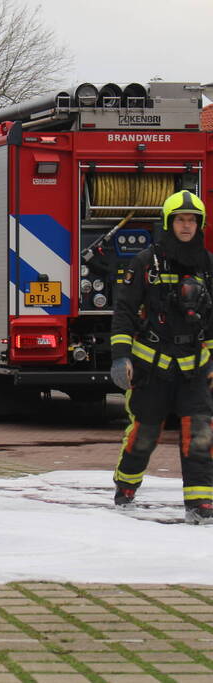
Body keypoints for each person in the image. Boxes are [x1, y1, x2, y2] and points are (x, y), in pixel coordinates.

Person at [109, 190, 213, 524]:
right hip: (152, 367)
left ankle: (200, 504)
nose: (187, 226)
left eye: (192, 220)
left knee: (199, 434)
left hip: (194, 368)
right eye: (181, 220)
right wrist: (120, 357)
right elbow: (124, 312)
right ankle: (125, 488)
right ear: (169, 223)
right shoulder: (144, 263)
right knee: (145, 434)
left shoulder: (207, 265)